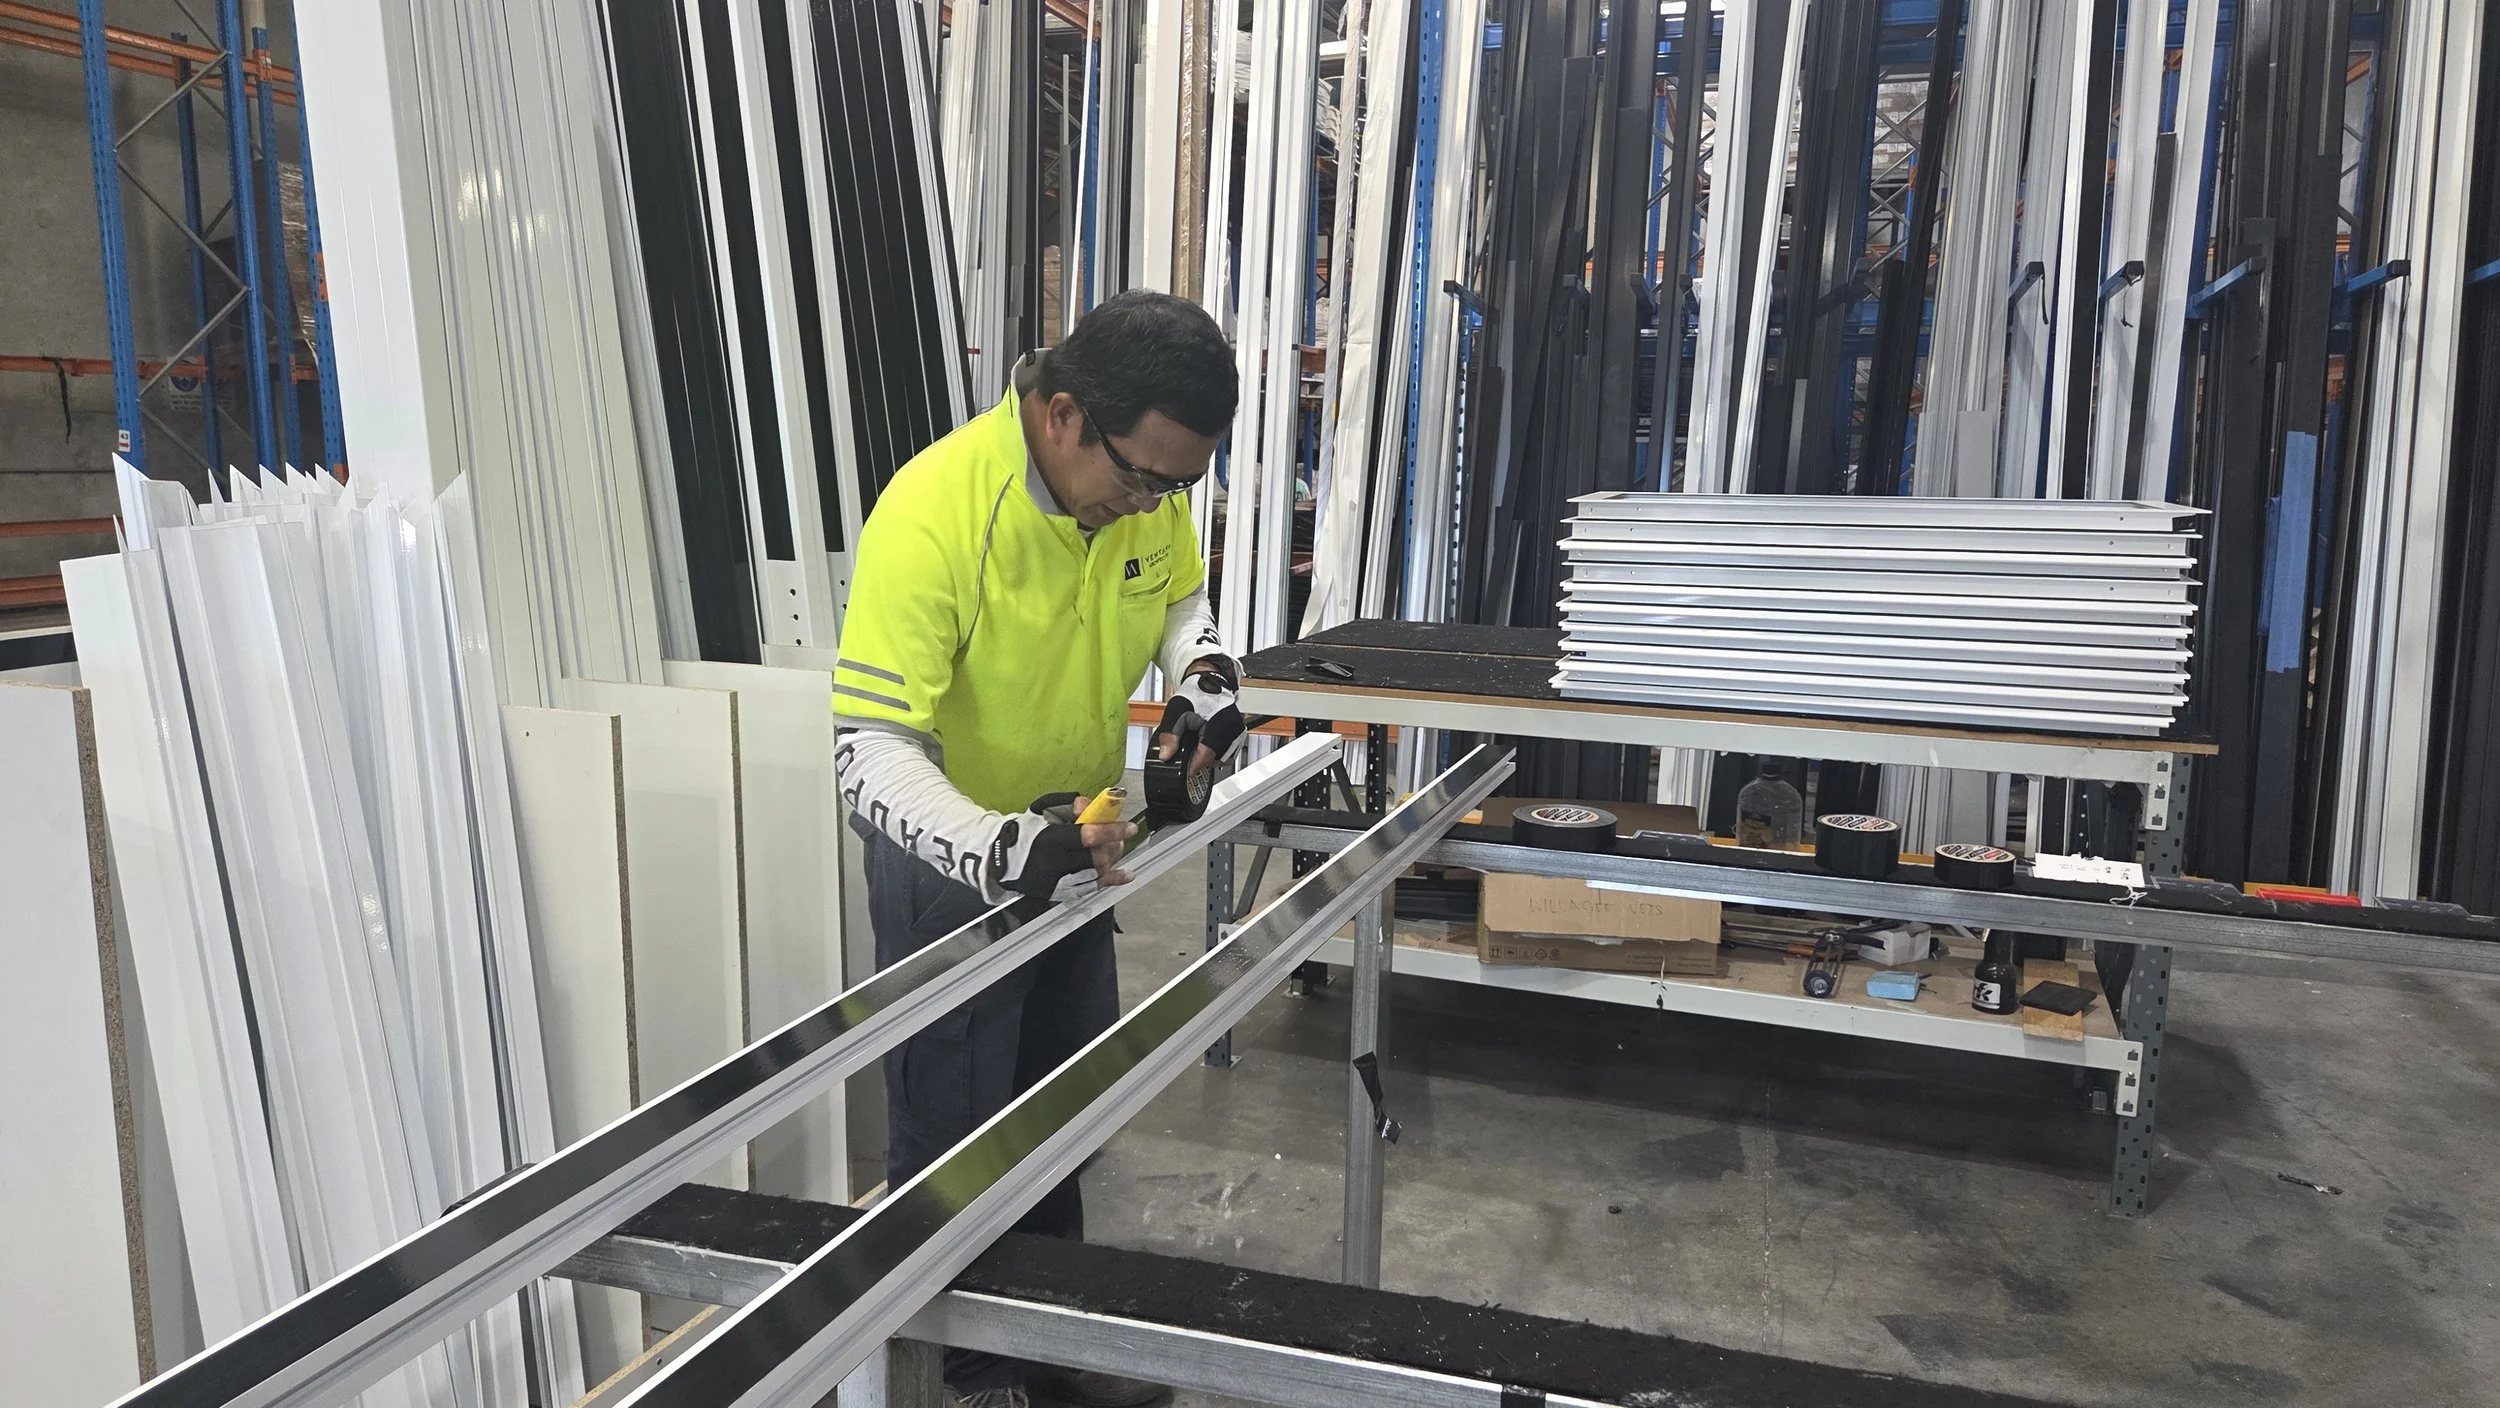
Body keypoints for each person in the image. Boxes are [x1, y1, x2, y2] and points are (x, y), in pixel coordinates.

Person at [832, 290, 1246, 1408]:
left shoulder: (1140, 485)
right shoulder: (934, 512)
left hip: (1081, 842)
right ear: (1062, 416)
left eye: (1178, 488)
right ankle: (969, 1379)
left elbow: (1182, 604)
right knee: (958, 1131)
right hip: (950, 859)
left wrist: (1206, 681)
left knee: (1064, 1106)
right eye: (1144, 479)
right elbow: (866, 749)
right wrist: (998, 846)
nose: (1153, 504)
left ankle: (1049, 1337)